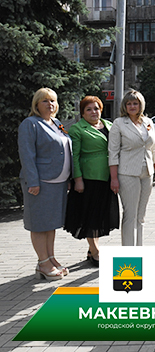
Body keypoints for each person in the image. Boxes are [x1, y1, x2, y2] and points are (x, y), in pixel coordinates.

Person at [18, 88, 71, 280]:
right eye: (45, 101)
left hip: (57, 182)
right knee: (39, 224)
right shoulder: (30, 124)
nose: (50, 104)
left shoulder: (57, 123)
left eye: (53, 101)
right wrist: (33, 181)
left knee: (50, 224)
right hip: (39, 183)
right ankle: (42, 263)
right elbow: (27, 155)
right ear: (36, 104)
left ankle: (50, 258)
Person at [64, 96, 119, 266]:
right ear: (82, 113)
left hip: (107, 177)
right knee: (91, 216)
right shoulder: (77, 129)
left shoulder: (109, 125)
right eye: (88, 109)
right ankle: (95, 251)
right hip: (89, 178)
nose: (93, 112)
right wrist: (78, 179)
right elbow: (75, 156)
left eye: (96, 108)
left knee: (101, 215)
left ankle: (92, 249)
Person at [108, 89, 155, 246]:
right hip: (127, 174)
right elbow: (113, 152)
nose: (132, 106)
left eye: (135, 103)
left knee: (141, 216)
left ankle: (139, 251)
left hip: (147, 173)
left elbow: (154, 148)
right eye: (129, 103)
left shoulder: (148, 122)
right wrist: (114, 178)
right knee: (130, 215)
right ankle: (129, 255)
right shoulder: (119, 124)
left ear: (140, 105)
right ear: (125, 105)